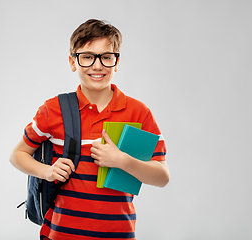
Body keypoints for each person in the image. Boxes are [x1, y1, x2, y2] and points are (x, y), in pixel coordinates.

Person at [10, 19, 169, 240]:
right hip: (60, 234)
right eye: (87, 57)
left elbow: (162, 177)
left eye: (106, 57)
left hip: (119, 235)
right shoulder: (53, 109)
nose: (97, 66)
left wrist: (122, 160)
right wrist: (46, 172)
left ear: (116, 62)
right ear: (73, 62)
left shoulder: (138, 113)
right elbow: (17, 155)